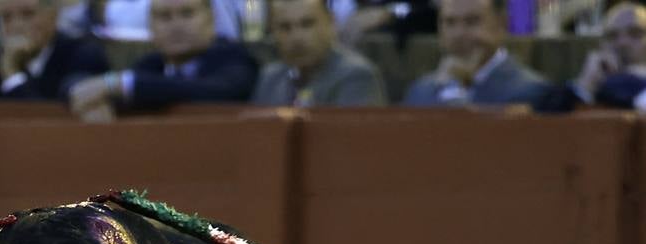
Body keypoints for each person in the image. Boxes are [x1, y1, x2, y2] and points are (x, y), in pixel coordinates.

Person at [67, 0, 257, 121]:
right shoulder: (153, 64)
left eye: (187, 13)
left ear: (211, 20)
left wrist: (115, 84)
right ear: (151, 26)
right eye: (164, 17)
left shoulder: (234, 57)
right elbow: (75, 81)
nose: (176, 26)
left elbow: (214, 90)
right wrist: (90, 97)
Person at [402, 0, 548, 106]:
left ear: (501, 24)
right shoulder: (421, 92)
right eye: (450, 22)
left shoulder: (532, 92)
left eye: (472, 21)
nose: (459, 34)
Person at [250, 0, 386, 106]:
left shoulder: (357, 76)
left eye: (307, 24)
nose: (297, 37)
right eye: (285, 27)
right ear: (273, 32)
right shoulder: (270, 78)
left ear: (331, 23)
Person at [0, 0, 109, 99]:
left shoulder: (84, 57)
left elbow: (45, 121)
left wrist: (12, 76)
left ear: (53, 15)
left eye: (28, 15)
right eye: (6, 17)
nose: (17, 26)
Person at [537, 2, 646, 111]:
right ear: (601, 44)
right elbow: (544, 118)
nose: (622, 43)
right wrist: (584, 86)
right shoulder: (595, 86)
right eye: (612, 36)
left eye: (635, 33)